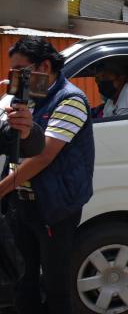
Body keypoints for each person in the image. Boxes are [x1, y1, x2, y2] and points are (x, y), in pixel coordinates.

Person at [0, 36, 95, 314]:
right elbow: (16, 145)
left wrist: (1, 189)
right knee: (23, 277)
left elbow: (44, 155)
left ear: (43, 65)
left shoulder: (71, 99)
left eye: (20, 69)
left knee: (55, 282)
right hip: (21, 202)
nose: (14, 76)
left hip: (53, 207)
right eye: (12, 70)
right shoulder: (26, 97)